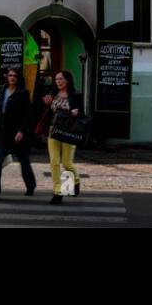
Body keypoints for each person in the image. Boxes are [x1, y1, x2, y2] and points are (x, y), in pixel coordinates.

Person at [0, 67, 36, 200]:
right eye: (10, 75)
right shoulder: (2, 91)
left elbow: (28, 115)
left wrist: (22, 131)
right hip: (2, 132)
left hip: (17, 134)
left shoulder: (23, 93)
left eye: (14, 75)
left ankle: (30, 185)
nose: (12, 77)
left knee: (24, 160)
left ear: (18, 78)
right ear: (7, 77)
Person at [42, 69, 84, 204]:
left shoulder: (76, 95)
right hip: (53, 130)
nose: (58, 82)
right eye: (56, 79)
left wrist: (76, 112)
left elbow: (81, 113)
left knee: (66, 163)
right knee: (54, 162)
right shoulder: (53, 94)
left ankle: (76, 180)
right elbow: (49, 113)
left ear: (67, 80)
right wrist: (48, 105)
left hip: (69, 131)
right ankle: (58, 191)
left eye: (60, 79)